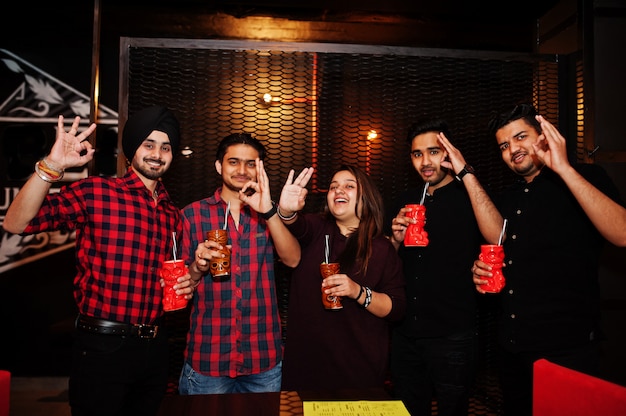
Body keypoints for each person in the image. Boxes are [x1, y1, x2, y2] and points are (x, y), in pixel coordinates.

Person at [2, 105, 194, 416]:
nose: (157, 153)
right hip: (104, 347)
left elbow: (168, 277)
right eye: (149, 144)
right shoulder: (97, 192)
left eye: (166, 146)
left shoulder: (172, 214)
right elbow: (16, 223)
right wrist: (51, 165)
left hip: (156, 348)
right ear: (131, 150)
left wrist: (185, 282)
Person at [471, 103, 626, 416]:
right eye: (504, 145)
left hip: (567, 349)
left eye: (520, 137)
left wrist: (564, 168)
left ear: (543, 137)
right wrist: (482, 272)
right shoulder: (509, 197)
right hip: (513, 349)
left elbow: (623, 233)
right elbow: (505, 253)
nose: (513, 149)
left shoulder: (585, 175)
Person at [387, 119, 504, 416]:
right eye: (416, 154)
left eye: (434, 152)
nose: (425, 162)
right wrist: (396, 240)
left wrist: (465, 173)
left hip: (452, 334)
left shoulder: (471, 196)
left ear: (449, 153)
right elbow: (388, 265)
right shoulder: (406, 200)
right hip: (405, 334)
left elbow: (497, 235)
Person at [177, 133, 301, 394]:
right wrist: (198, 266)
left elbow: (293, 259)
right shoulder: (192, 214)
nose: (242, 170)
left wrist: (268, 212)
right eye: (233, 162)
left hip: (262, 357)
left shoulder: (272, 212)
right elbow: (181, 286)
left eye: (251, 163)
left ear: (260, 169)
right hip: (208, 356)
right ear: (219, 166)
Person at [276, 164, 407, 391]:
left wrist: (357, 291)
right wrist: (286, 211)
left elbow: (396, 308)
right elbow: (296, 223)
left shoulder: (382, 248)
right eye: (333, 187)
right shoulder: (316, 229)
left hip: (358, 369)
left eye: (349, 186)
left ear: (366, 197)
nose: (338, 191)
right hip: (307, 367)